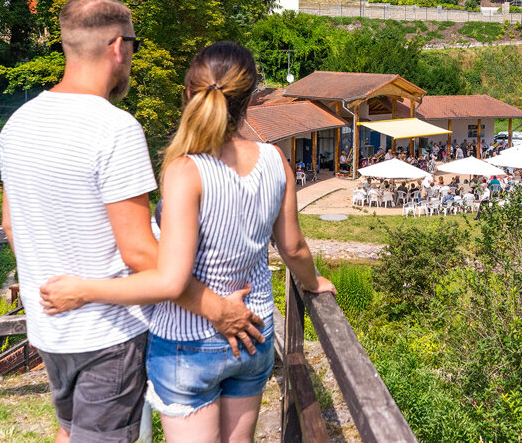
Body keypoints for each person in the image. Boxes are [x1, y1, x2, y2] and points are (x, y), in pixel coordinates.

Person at [0, 0, 263, 443]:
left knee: (70, 431)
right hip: (107, 331)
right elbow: (141, 252)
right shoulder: (115, 129)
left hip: (48, 326)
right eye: (134, 48)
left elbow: (11, 224)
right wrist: (218, 309)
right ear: (118, 46)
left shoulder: (19, 123)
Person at [40, 40, 336, 442]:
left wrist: (83, 291)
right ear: (250, 98)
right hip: (254, 329)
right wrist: (313, 282)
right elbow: (295, 248)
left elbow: (170, 281)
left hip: (189, 341)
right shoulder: (275, 161)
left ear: (188, 95)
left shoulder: (186, 171)